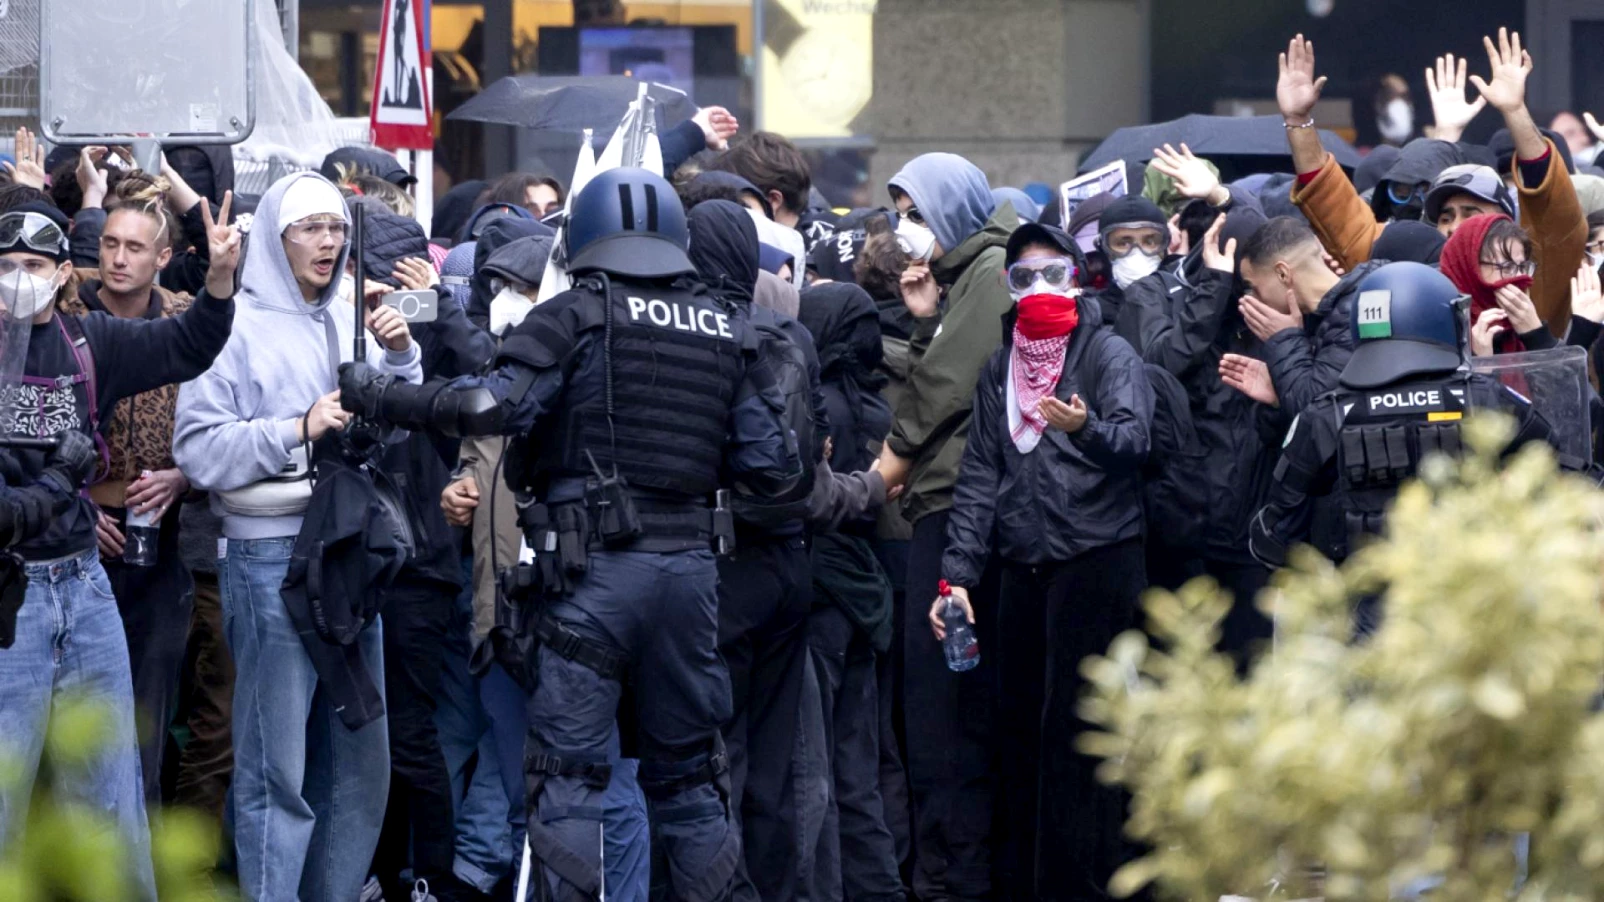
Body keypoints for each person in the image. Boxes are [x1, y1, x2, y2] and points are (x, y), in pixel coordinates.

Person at [335, 167, 800, 902]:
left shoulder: (573, 314)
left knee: (570, 779)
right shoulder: (725, 329)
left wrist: (382, 395)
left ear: (583, 237)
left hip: (592, 580)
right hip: (690, 583)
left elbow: (489, 403)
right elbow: (774, 469)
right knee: (690, 780)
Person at [172, 172, 422, 902]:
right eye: (309, 227)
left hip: (348, 557)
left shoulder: (347, 314)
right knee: (274, 768)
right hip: (269, 555)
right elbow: (197, 450)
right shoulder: (232, 324)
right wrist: (296, 430)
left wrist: (401, 358)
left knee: (356, 762)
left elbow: (396, 426)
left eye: (336, 227)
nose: (328, 241)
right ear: (275, 241)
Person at [0, 198, 240, 895]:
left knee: (111, 791)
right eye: (7, 265)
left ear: (59, 273)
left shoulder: (89, 342)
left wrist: (220, 279)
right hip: (10, 598)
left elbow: (188, 344)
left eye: (34, 265)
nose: (19, 277)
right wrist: (63, 479)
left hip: (83, 588)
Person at [937, 221, 1153, 899]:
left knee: (1085, 735)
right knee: (1020, 732)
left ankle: (1091, 885)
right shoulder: (1001, 366)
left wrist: (1083, 428)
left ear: (1078, 276)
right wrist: (957, 578)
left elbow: (1136, 439)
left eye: (1051, 273)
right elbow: (978, 478)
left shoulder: (1108, 350)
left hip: (1099, 559)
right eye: (1022, 277)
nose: (1037, 288)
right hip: (1024, 567)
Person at [873, 151, 1015, 902]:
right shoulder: (971, 278)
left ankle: (952, 882)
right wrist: (929, 321)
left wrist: (877, 474)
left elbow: (943, 391)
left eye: (917, 212)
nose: (906, 229)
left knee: (945, 721)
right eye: (899, 212)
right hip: (955, 509)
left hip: (954, 514)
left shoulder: (993, 273)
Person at [1249, 261, 1557, 571]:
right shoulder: (1485, 397)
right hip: (1471, 599)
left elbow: (1276, 537)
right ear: (1442, 319)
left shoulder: (1325, 415)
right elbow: (1566, 471)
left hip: (1370, 605)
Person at [1281, 31, 1585, 331]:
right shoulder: (1409, 268)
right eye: (1444, 216)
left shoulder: (1534, 277)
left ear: (1504, 221)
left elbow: (1552, 211)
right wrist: (1298, 123)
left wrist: (1515, 111)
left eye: (1470, 213)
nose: (1454, 226)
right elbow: (1335, 209)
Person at [58, 177, 199, 805]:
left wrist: (185, 474)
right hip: (72, 536)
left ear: (161, 257)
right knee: (73, 722)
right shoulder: (65, 318)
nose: (118, 257)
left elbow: (220, 418)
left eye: (134, 248)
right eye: (110, 243)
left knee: (147, 710)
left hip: (163, 539)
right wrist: (81, 506)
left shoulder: (186, 321)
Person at [795, 279, 903, 902]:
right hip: (865, 591)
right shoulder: (880, 407)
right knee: (859, 768)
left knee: (818, 770)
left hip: (823, 589)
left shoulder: (816, 406)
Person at [1222, 217, 1386, 424]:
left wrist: (1284, 340)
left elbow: (1317, 415)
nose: (1253, 298)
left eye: (1253, 287)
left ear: (1282, 274)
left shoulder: (1358, 313)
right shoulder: (1320, 318)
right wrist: (1278, 395)